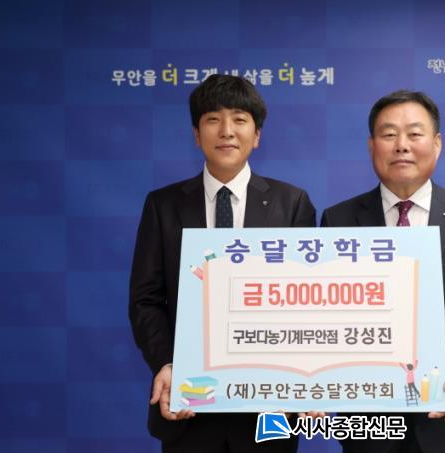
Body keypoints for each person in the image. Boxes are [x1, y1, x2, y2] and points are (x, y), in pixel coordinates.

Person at [320, 90, 445, 453]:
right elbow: (322, 314)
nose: (402, 145)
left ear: (437, 144)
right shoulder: (338, 221)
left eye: (414, 133)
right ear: (371, 146)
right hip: (370, 424)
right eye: (389, 134)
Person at [129, 74, 316, 452]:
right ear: (196, 134)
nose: (226, 130)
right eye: (213, 119)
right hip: (190, 403)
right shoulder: (163, 205)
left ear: (257, 135)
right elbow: (145, 299)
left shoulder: (292, 203)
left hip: (269, 405)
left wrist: (303, 377)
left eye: (239, 119)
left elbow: (306, 303)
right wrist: (167, 364)